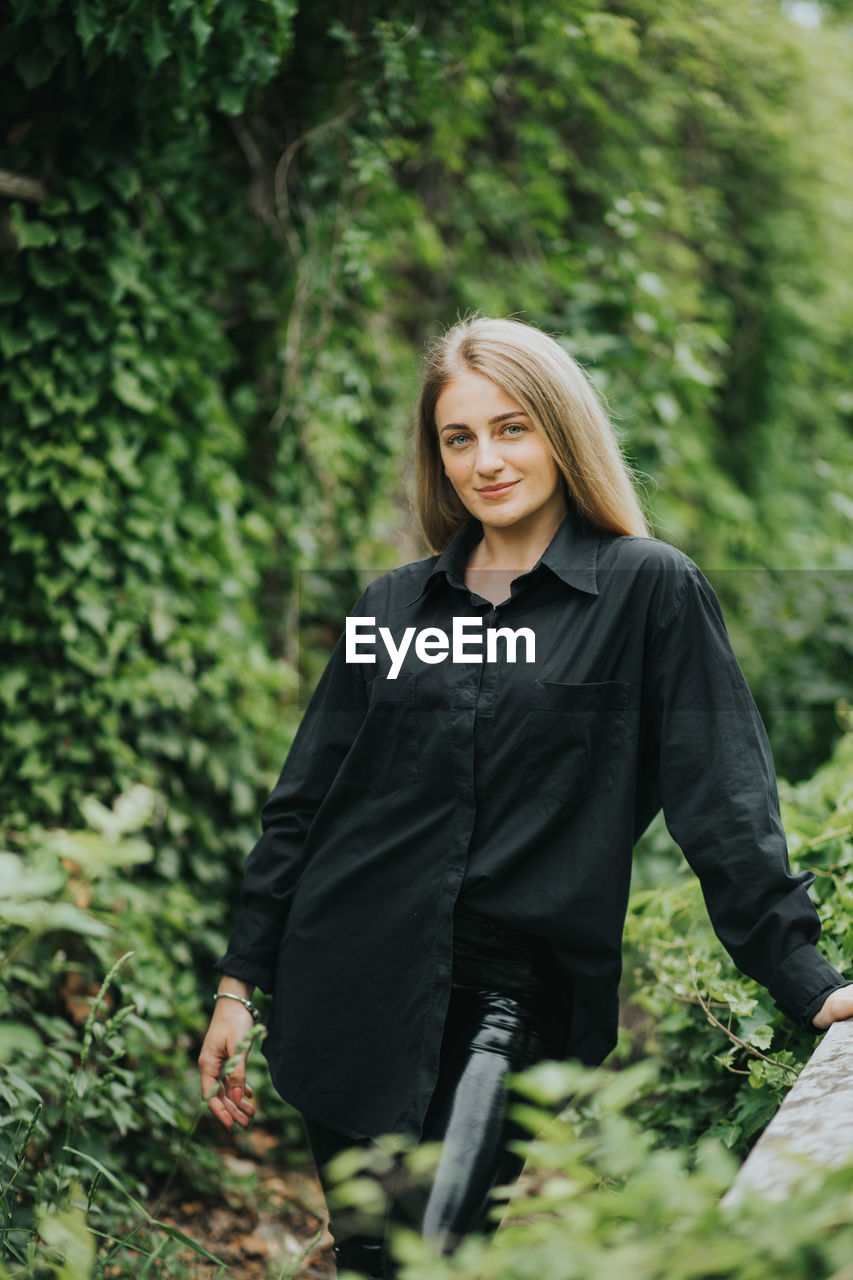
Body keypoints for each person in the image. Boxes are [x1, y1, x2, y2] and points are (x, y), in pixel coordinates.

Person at [198, 316, 853, 1278]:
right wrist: (237, 986)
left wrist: (807, 980)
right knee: (377, 1254)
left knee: (441, 1248)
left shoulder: (649, 593)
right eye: (457, 438)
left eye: (511, 428)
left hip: (516, 992)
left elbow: (720, 798)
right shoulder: (391, 609)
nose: (484, 461)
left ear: (560, 430)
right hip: (348, 976)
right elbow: (305, 805)